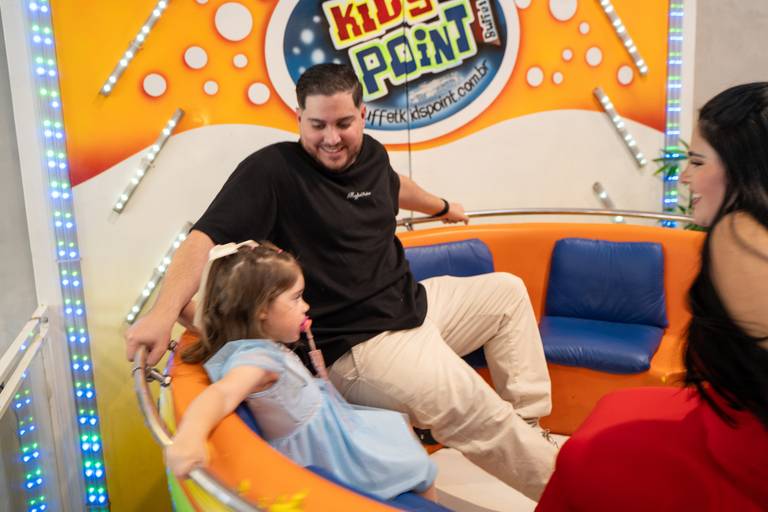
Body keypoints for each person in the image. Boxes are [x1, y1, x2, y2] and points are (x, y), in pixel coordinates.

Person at [127, 63, 556, 499]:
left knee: (506, 292)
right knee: (477, 410)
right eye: (317, 125)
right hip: (361, 346)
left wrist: (442, 207)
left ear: (362, 115)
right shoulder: (271, 172)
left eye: (343, 124)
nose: (331, 138)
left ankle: (529, 425)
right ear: (299, 118)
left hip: (413, 304)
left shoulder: (371, 155)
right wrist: (162, 315)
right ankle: (572, 492)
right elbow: (202, 239)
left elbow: (394, 185)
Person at [537, 82, 768, 511]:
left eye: (697, 162)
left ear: (746, 168)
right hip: (730, 434)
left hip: (739, 458)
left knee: (583, 458)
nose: (684, 176)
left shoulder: (739, 238)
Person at [165, 241, 438, 501]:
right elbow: (222, 394)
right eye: (296, 298)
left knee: (399, 430)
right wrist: (190, 437)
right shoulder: (256, 360)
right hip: (324, 450)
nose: (306, 306)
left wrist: (176, 308)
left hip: (333, 425)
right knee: (417, 466)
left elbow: (199, 318)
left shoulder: (245, 339)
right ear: (260, 310)